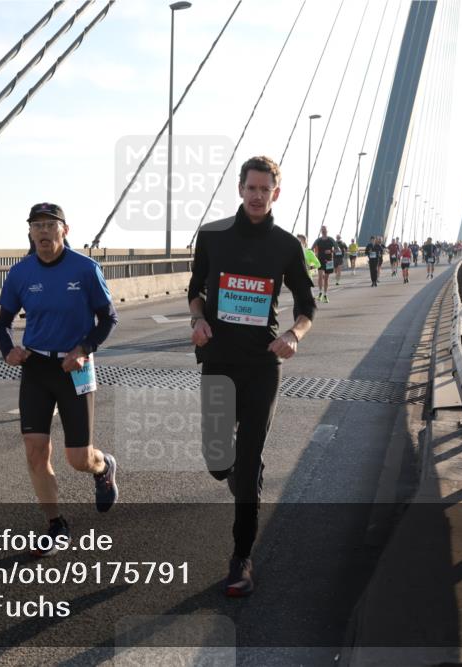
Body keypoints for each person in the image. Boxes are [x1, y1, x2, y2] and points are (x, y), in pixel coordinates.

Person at [188, 155, 315, 597]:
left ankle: (242, 557)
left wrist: (295, 335)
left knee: (248, 459)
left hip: (263, 365)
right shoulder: (212, 236)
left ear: (275, 193)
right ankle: (241, 468)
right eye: (251, 188)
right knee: (218, 461)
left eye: (265, 190)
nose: (258, 196)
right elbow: (195, 291)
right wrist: (197, 320)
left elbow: (307, 305)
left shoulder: (286, 245)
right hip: (218, 360)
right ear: (240, 189)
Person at [0, 202, 120, 556]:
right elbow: (2, 324)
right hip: (36, 367)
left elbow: (109, 319)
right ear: (30, 232)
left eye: (51, 225)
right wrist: (8, 350)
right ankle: (55, 525)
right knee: (35, 451)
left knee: (78, 459)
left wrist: (83, 348)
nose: (44, 232)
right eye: (37, 225)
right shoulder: (20, 273)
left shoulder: (85, 269)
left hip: (75, 367)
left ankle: (102, 466)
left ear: (65, 230)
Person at [312, 226, 337, 303]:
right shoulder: (318, 240)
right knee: (320, 276)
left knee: (326, 278)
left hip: (329, 261)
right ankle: (320, 293)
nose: (324, 231)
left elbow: (337, 249)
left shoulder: (331, 239)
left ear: (327, 231)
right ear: (321, 231)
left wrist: (331, 251)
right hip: (320, 260)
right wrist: (314, 255)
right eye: (322, 230)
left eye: (325, 230)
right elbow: (311, 249)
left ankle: (325, 295)